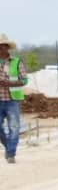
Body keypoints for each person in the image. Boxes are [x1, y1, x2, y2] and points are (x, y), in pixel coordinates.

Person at [0, 33, 27, 164]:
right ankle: (8, 147)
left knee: (14, 127)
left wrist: (10, 83)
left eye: (1, 46)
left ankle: (11, 154)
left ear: (7, 47)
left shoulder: (16, 62)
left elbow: (24, 80)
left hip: (12, 100)